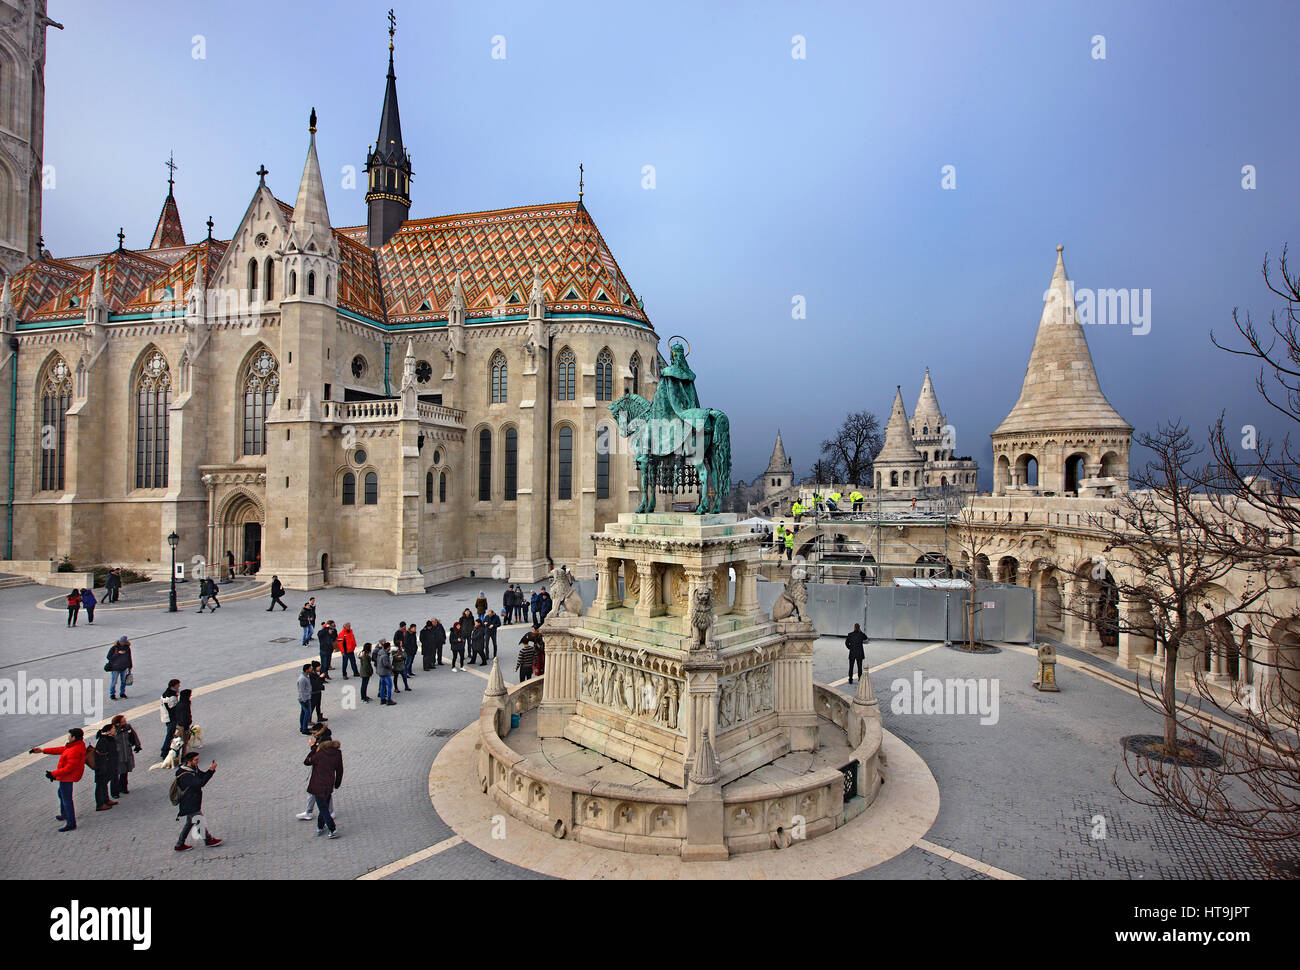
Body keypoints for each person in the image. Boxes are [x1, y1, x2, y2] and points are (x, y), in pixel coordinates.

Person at [30, 728, 86, 832]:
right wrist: (42, 750)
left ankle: (71, 823)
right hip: (67, 776)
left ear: (73, 737)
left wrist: (53, 774)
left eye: (69, 735)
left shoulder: (74, 750)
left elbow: (69, 768)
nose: (68, 737)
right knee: (61, 794)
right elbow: (61, 749)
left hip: (67, 777)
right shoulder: (75, 745)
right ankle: (65, 815)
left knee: (67, 799)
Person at [173, 752, 222, 851]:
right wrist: (211, 771)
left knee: (189, 823)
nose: (198, 761)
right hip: (189, 801)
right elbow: (200, 783)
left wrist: (210, 770)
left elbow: (201, 777)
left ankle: (179, 844)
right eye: (196, 760)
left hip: (193, 800)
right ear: (189, 761)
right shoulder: (185, 775)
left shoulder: (193, 768)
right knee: (199, 820)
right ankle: (208, 840)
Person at [303, 727, 344, 839]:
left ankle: (333, 829)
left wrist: (312, 748)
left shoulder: (319, 754)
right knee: (324, 806)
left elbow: (307, 761)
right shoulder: (337, 753)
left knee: (323, 808)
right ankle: (320, 827)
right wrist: (337, 783)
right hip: (329, 784)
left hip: (318, 785)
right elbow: (340, 770)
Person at [109, 713, 141, 797]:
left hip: (127, 752)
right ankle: (115, 791)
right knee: (116, 773)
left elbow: (134, 736)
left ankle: (123, 787)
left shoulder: (127, 727)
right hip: (118, 754)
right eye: (123, 721)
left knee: (125, 770)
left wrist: (137, 745)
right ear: (117, 723)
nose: (125, 722)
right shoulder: (113, 730)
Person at [92, 724, 119, 811]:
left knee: (104, 784)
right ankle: (100, 804)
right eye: (113, 728)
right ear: (109, 730)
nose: (115, 730)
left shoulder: (109, 738)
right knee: (100, 785)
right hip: (103, 767)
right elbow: (101, 756)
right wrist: (103, 767)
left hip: (107, 766)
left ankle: (106, 800)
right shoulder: (104, 740)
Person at [159, 679, 181, 759]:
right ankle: (165, 751)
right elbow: (172, 709)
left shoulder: (166, 693)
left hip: (166, 716)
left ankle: (168, 750)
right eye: (178, 684)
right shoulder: (171, 697)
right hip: (171, 718)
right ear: (174, 685)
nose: (179, 686)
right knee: (170, 734)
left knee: (170, 733)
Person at [105, 635, 132, 700]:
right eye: (121, 641)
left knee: (123, 681)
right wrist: (118, 654)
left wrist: (130, 666)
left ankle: (122, 693)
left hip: (124, 668)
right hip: (115, 668)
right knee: (114, 682)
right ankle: (112, 694)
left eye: (123, 642)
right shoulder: (114, 648)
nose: (121, 643)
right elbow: (108, 657)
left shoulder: (127, 648)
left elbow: (129, 657)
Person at [375, 640, 395, 705]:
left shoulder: (380, 652)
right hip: (385, 672)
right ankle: (389, 700)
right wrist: (391, 667)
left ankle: (382, 699)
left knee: (382, 686)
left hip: (380, 671)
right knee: (389, 685)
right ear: (388, 647)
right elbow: (386, 664)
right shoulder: (385, 655)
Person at [297, 664, 313, 734]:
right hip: (305, 699)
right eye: (310, 668)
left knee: (303, 713)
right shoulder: (302, 679)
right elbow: (302, 691)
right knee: (307, 713)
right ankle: (304, 729)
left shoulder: (306, 676)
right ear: (306, 670)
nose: (311, 669)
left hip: (305, 698)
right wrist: (304, 700)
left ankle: (302, 727)